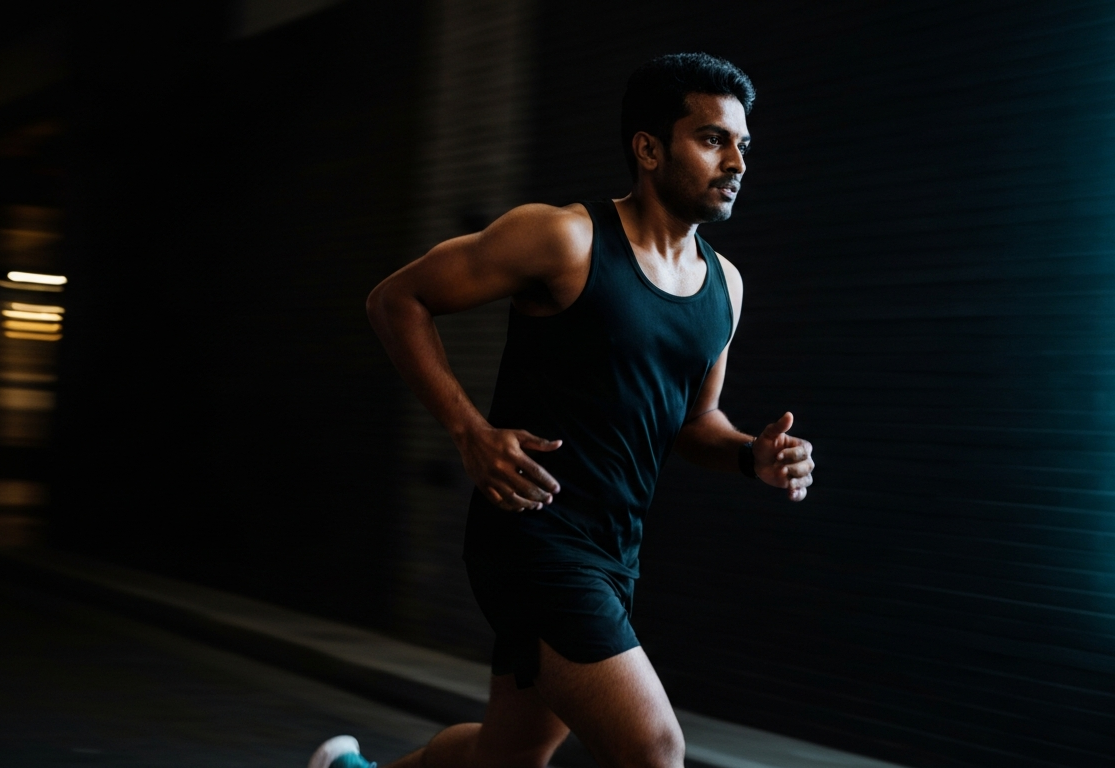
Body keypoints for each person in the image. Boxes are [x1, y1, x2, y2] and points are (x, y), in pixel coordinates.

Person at [312, 52, 815, 768]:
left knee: (508, 755)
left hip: (615, 551)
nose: (736, 159)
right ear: (648, 148)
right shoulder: (566, 239)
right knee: (655, 750)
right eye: (711, 139)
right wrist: (469, 430)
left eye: (743, 144)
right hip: (531, 539)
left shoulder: (723, 288)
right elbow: (397, 299)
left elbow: (695, 422)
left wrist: (749, 454)